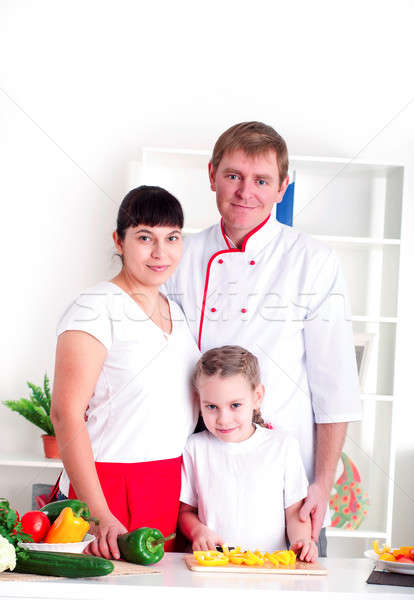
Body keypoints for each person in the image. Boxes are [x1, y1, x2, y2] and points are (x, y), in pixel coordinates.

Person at [165, 121, 362, 556]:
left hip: (287, 490)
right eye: (233, 176)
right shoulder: (179, 255)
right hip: (196, 481)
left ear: (282, 187)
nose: (244, 192)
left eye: (261, 180)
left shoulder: (312, 261)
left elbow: (336, 388)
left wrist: (321, 485)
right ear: (212, 174)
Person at [50, 185, 200, 560]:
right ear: (119, 240)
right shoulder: (94, 308)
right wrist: (98, 514)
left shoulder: (177, 313)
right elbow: (65, 413)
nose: (159, 252)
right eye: (145, 237)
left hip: (168, 488)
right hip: (108, 486)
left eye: (172, 238)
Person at [178, 345, 318, 562]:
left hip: (269, 568)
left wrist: (302, 540)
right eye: (211, 407)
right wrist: (198, 531)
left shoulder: (283, 446)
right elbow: (186, 511)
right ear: (199, 402)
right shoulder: (195, 448)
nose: (223, 419)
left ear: (257, 397)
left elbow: (294, 512)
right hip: (213, 565)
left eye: (235, 405)